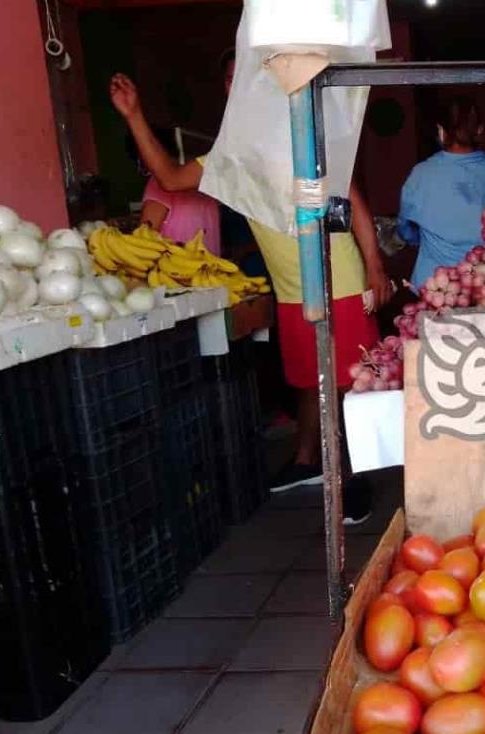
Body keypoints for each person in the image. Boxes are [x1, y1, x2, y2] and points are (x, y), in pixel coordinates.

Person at [110, 67, 391, 520]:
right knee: (307, 378)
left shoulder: (299, 135)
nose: (235, 83)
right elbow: (168, 177)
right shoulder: (231, 156)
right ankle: (307, 462)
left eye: (243, 74)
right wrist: (134, 114)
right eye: (228, 78)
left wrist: (375, 267)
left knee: (348, 382)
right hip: (291, 288)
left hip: (339, 278)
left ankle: (354, 477)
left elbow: (352, 199)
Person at [398, 96, 485, 289]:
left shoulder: (421, 174)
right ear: (480, 130)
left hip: (435, 287)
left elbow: (405, 230)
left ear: (441, 132)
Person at [126, 127, 222, 255]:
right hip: (212, 270)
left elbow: (144, 240)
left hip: (177, 271)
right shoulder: (198, 178)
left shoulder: (158, 184)